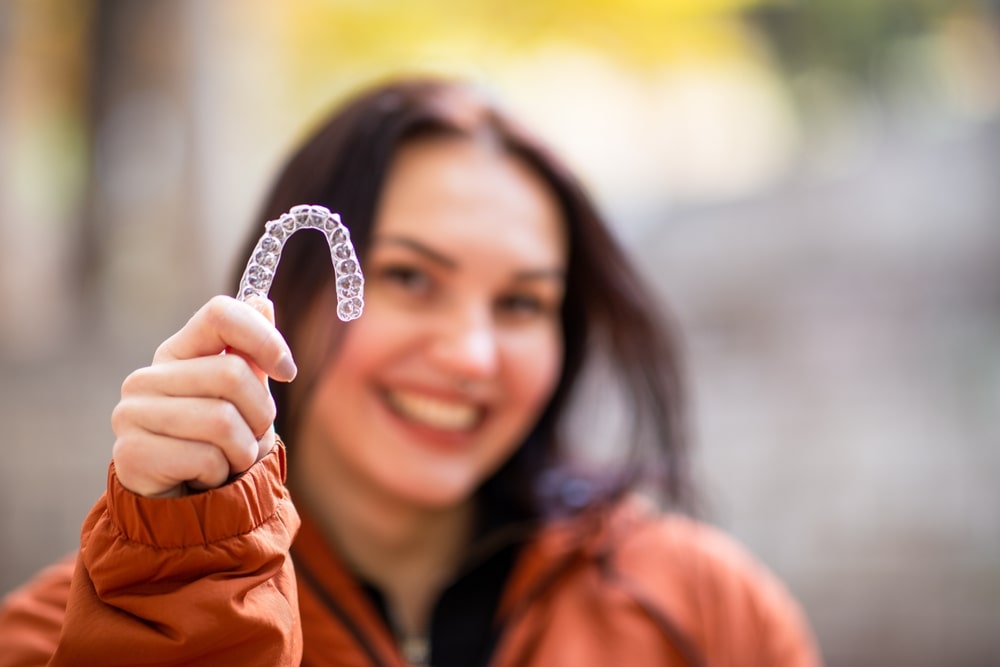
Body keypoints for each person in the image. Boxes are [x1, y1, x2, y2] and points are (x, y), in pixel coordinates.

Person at [0, 76, 821, 666]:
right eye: (410, 278)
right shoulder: (67, 632)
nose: (470, 355)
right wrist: (185, 583)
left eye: (523, 303)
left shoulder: (710, 615)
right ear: (289, 292)